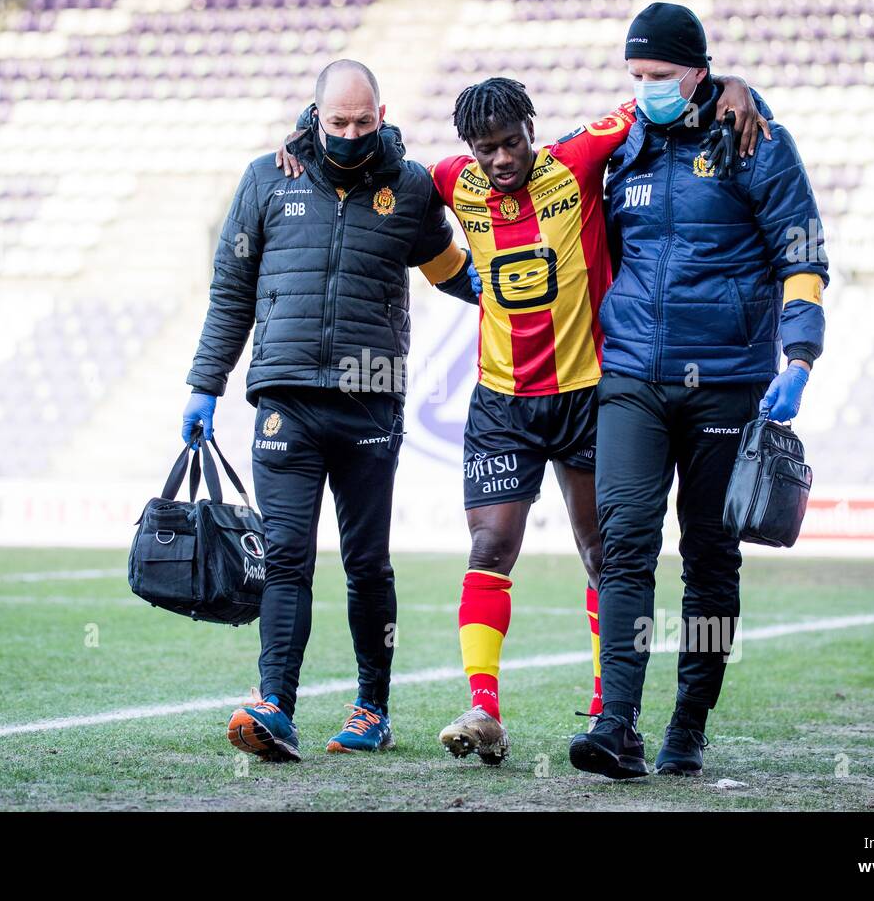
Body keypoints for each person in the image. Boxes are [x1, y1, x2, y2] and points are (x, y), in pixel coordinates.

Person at [274, 70, 767, 765]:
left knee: (604, 556)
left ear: (533, 132)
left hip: (590, 395)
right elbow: (376, 150)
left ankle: (607, 713)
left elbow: (665, 98)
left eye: (510, 143)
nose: (499, 159)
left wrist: (733, 87)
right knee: (488, 548)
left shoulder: (579, 158)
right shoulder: (451, 179)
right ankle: (484, 708)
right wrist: (301, 132)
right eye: (485, 149)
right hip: (502, 401)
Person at [183, 59, 476, 762]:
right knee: (284, 557)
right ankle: (274, 706)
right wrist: (204, 385)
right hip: (285, 396)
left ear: (383, 114)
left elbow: (451, 272)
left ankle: (372, 709)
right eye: (337, 122)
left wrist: (527, 290)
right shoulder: (266, 179)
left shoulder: (409, 189)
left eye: (363, 122)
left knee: (366, 562)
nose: (350, 134)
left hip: (371, 401)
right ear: (314, 116)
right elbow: (231, 290)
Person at [568, 3, 828, 780]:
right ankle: (615, 723)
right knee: (623, 548)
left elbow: (803, 247)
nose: (644, 88)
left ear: (699, 70)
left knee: (710, 557)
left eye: (659, 75)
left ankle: (688, 723)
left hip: (726, 382)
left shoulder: (756, 140)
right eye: (636, 76)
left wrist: (801, 356)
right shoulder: (625, 144)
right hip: (632, 379)